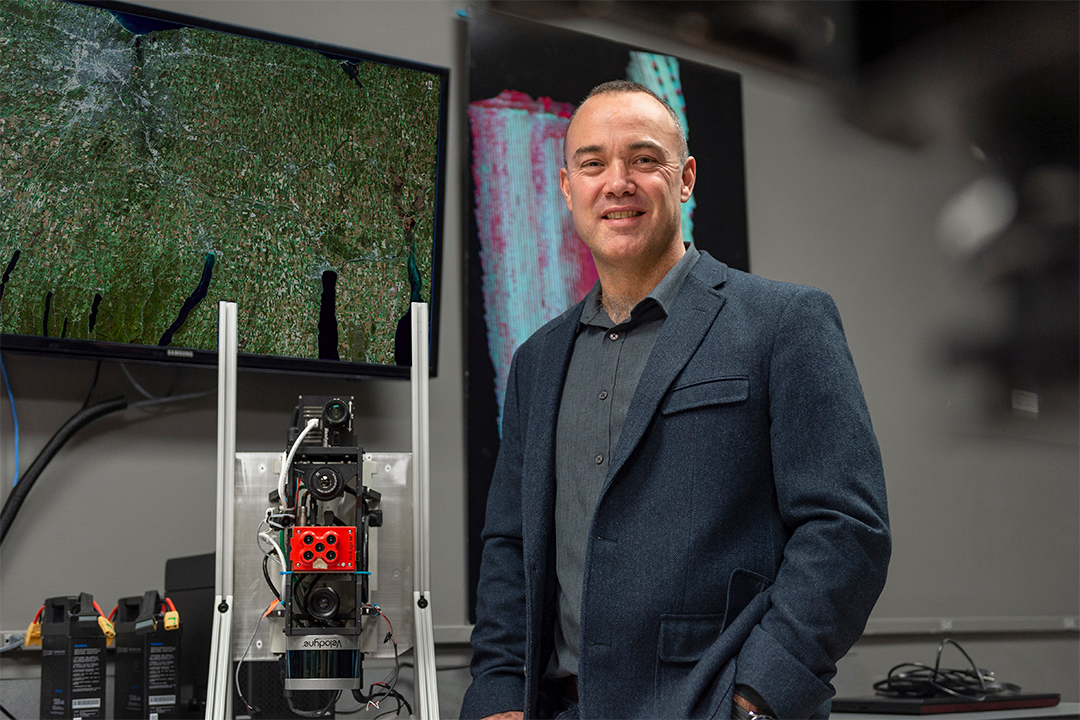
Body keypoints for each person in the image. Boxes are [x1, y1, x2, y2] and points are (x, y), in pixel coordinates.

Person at [461, 80, 891, 720]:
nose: (617, 182)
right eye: (593, 163)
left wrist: (756, 700)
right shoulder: (537, 361)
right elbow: (510, 549)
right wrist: (498, 695)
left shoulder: (785, 322)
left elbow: (847, 530)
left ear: (685, 178)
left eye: (642, 159)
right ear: (567, 187)